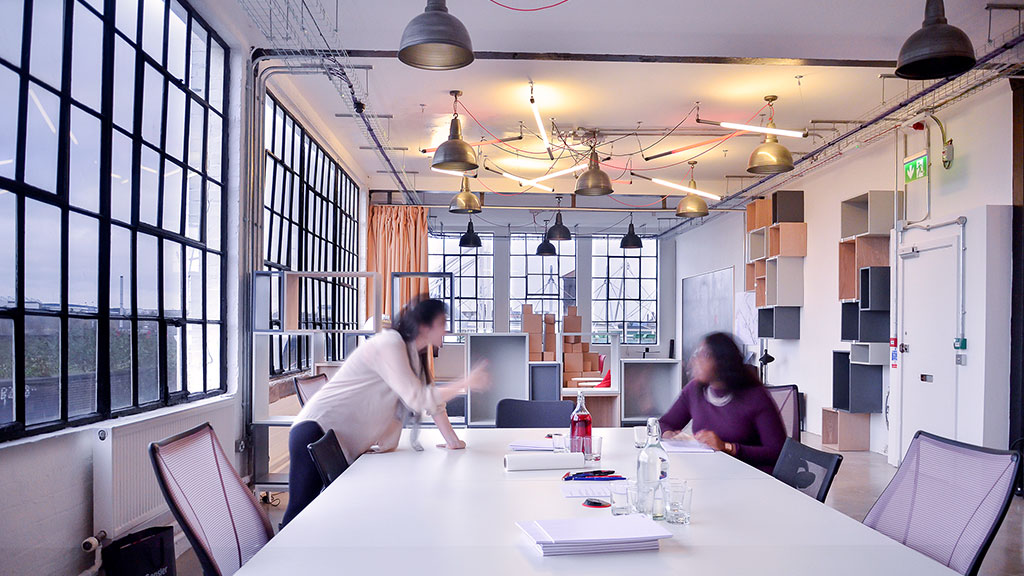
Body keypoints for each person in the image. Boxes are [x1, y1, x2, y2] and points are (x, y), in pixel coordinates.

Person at [281, 296, 489, 526]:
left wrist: (453, 441)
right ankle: (270, 560)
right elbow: (418, 398)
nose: (446, 330)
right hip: (315, 431)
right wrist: (465, 382)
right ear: (424, 326)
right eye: (442, 322)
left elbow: (432, 403)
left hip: (336, 440)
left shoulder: (413, 354)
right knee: (299, 514)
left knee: (318, 515)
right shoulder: (390, 344)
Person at [659, 332, 785, 473]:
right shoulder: (694, 390)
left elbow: (778, 452)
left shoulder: (755, 397)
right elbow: (664, 423)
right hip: (711, 471)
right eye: (697, 354)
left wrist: (727, 447)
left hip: (751, 476)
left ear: (722, 361)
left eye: (704, 355)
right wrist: (668, 434)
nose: (696, 361)